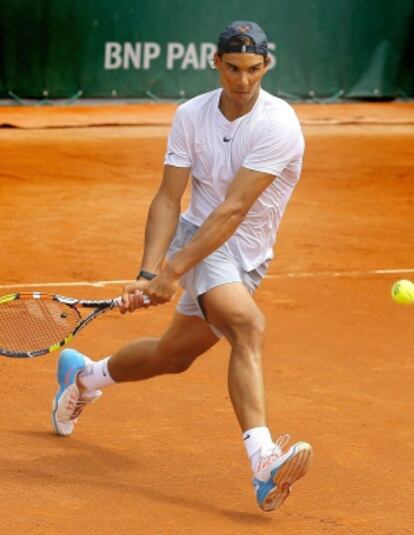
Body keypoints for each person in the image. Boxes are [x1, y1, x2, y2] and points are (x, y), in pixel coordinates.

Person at [51, 20, 312, 512]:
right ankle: (263, 463)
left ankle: (83, 378)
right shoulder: (191, 115)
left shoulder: (279, 124)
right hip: (204, 241)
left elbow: (234, 209)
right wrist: (152, 272)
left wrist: (172, 273)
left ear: (266, 66)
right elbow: (169, 197)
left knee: (172, 356)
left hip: (246, 253)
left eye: (254, 69)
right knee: (247, 326)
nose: (242, 81)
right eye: (232, 69)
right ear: (215, 63)